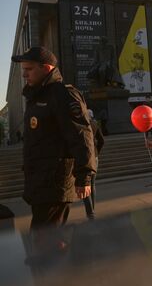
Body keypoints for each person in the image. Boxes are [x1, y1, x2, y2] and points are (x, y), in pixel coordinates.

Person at [11, 47, 96, 258]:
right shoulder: (38, 95)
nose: (24, 74)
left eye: (29, 69)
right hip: (40, 183)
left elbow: (82, 136)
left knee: (45, 245)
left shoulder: (62, 94)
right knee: (44, 243)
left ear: (46, 68)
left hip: (54, 184)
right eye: (23, 69)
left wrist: (84, 176)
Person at [82, 109, 104, 220]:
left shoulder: (82, 125)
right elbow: (102, 140)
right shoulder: (95, 124)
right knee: (92, 184)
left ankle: (90, 213)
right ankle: (92, 210)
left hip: (84, 158)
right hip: (94, 158)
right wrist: (97, 152)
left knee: (84, 184)